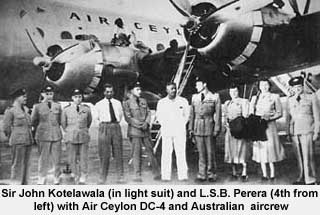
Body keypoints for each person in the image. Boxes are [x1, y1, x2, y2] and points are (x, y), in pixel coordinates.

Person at [123, 82, 161, 182]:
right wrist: (141, 125)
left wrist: (147, 123)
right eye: (137, 90)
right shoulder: (126, 103)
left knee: (150, 152)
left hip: (145, 131)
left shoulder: (143, 101)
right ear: (131, 91)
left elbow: (148, 112)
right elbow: (128, 118)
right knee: (136, 153)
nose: (139, 91)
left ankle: (157, 173)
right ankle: (137, 175)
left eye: (140, 89)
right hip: (135, 131)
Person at [249, 79, 285, 181]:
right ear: (259, 86)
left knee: (270, 148)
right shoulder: (255, 98)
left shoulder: (275, 97)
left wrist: (269, 118)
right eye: (262, 85)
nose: (264, 87)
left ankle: (272, 174)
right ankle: (264, 174)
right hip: (258, 126)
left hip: (270, 126)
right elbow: (251, 112)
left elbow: (279, 113)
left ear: (269, 86)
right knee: (261, 149)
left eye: (266, 85)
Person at [287, 76, 320, 185]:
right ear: (292, 88)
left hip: (307, 129)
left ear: (303, 86)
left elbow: (317, 116)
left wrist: (316, 132)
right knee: (299, 156)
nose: (298, 89)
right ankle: (301, 177)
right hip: (295, 131)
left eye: (299, 86)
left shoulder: (311, 97)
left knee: (308, 156)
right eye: (295, 87)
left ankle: (311, 179)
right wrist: (289, 132)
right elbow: (289, 118)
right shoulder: (290, 100)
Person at [189, 77, 221, 182]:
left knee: (210, 152)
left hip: (209, 126)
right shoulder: (194, 97)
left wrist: (217, 128)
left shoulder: (214, 97)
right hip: (198, 127)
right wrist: (191, 129)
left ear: (204, 84)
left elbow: (218, 114)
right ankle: (201, 174)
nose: (196, 87)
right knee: (201, 152)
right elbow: (192, 114)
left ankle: (211, 174)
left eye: (198, 84)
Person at [156, 82, 189, 181]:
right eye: (171, 89)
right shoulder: (162, 102)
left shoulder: (183, 101)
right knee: (166, 153)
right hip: (167, 130)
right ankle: (165, 176)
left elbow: (186, 115)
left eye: (175, 88)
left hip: (179, 131)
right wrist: (166, 125)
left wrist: (181, 125)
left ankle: (183, 176)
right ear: (167, 90)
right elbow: (159, 116)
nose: (173, 90)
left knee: (181, 152)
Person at [31, 85, 62, 185]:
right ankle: (41, 177)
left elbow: (60, 120)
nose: (49, 96)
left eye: (51, 94)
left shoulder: (57, 106)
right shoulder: (37, 106)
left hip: (56, 135)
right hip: (43, 135)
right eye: (47, 94)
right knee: (43, 158)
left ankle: (56, 177)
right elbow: (33, 121)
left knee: (56, 158)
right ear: (43, 94)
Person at [94, 83, 124, 184]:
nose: (109, 93)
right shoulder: (99, 104)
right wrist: (103, 126)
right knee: (104, 153)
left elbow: (120, 115)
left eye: (111, 92)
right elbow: (96, 118)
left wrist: (114, 123)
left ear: (113, 92)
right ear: (104, 92)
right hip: (104, 127)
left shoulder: (118, 103)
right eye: (107, 92)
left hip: (115, 126)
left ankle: (120, 177)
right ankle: (102, 178)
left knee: (118, 152)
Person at [61, 89, 92, 184]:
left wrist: (83, 129)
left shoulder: (86, 109)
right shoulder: (66, 110)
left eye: (80, 97)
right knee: (72, 158)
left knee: (83, 158)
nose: (78, 99)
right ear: (72, 98)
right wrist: (70, 130)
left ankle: (83, 176)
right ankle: (74, 175)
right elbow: (63, 123)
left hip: (83, 135)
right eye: (76, 97)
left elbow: (89, 122)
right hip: (71, 136)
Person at [2, 89, 33, 184]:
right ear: (17, 98)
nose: (25, 98)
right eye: (23, 96)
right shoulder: (10, 110)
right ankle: (16, 185)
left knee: (27, 165)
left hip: (28, 140)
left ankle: (25, 185)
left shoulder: (26, 109)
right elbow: (6, 127)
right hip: (18, 141)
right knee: (17, 164)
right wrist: (13, 136)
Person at [223, 85, 249, 181]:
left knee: (241, 149)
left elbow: (246, 115)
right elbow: (225, 115)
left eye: (235, 91)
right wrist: (226, 124)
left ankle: (244, 171)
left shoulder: (244, 101)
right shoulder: (227, 103)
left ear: (239, 92)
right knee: (231, 150)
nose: (233, 93)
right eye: (231, 91)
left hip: (240, 129)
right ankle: (234, 171)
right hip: (230, 129)